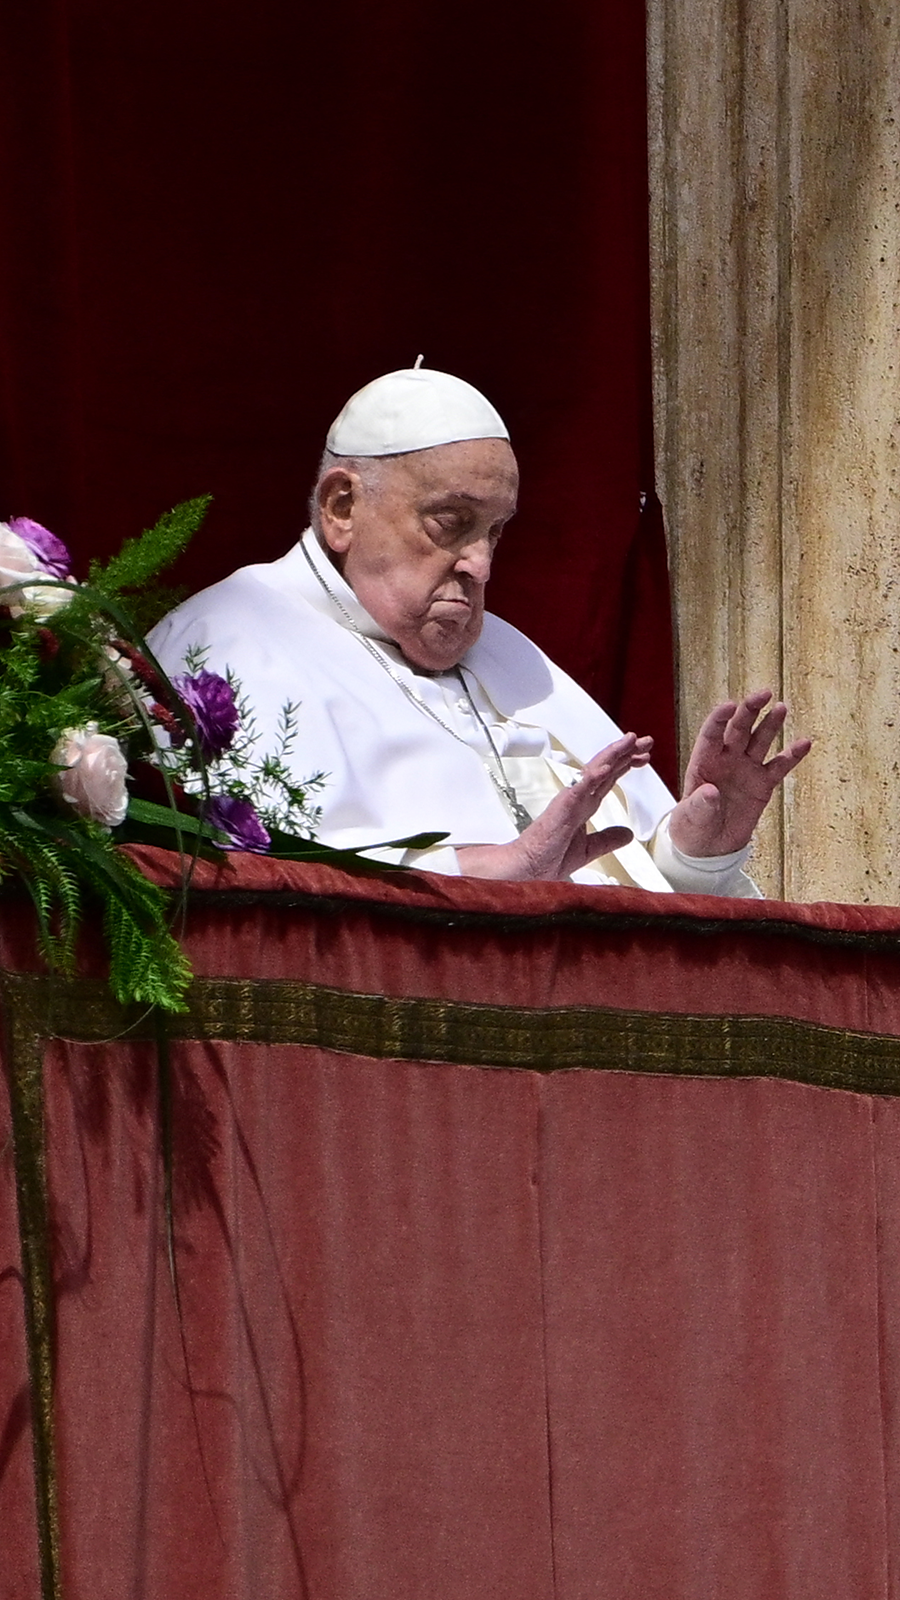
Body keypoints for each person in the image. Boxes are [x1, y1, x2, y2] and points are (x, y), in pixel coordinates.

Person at [149, 366, 810, 892]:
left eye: (495, 530)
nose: (481, 563)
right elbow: (246, 893)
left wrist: (699, 853)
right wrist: (485, 876)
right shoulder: (223, 640)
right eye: (450, 522)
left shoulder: (507, 651)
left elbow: (638, 901)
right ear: (342, 507)